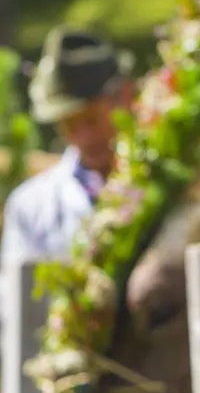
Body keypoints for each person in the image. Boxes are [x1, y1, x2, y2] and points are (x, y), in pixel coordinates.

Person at [1, 27, 135, 271]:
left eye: (92, 118)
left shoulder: (174, 184)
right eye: (68, 124)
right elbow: (15, 302)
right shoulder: (29, 207)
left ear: (124, 96)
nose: (84, 137)